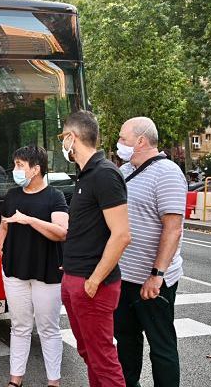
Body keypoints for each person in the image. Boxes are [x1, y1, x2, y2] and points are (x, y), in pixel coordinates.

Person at [59, 111, 131, 387]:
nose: (62, 144)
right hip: (76, 278)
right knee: (90, 354)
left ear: (71, 137)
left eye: (62, 137)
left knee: (102, 357)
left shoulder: (104, 174)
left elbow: (122, 234)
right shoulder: (85, 174)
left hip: (93, 285)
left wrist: (94, 280)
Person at [114, 117, 187, 387]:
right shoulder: (122, 173)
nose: (119, 143)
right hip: (123, 277)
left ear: (141, 141)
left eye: (123, 138)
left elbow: (173, 230)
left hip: (153, 281)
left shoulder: (167, 173)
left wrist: (157, 275)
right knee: (126, 342)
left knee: (161, 345)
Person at [0, 145, 69, 387]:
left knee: (48, 328)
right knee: (19, 326)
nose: (15, 170)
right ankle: (15, 380)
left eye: (20, 165)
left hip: (46, 271)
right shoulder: (12, 196)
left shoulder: (55, 197)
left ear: (36, 169)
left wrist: (28, 220)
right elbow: (3, 227)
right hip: (15, 271)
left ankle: (53, 382)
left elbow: (61, 233)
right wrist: (1, 252)